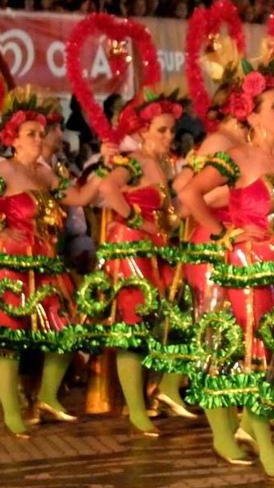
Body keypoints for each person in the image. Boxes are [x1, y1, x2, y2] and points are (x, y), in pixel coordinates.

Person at [180, 40, 274, 483]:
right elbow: (188, 193)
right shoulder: (235, 158)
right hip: (249, 268)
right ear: (251, 116)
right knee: (258, 355)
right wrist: (224, 233)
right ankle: (264, 443)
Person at [0, 90, 102, 438]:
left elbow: (79, 197)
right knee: (9, 337)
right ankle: (11, 411)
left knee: (67, 330)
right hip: (9, 264)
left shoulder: (45, 173)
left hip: (45, 263)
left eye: (40, 133)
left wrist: (104, 169)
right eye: (30, 134)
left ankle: (47, 396)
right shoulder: (2, 169)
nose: (38, 138)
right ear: (13, 139)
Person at [81, 89, 188, 437]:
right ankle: (137, 408)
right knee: (133, 326)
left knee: (174, 320)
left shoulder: (166, 162)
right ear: (143, 131)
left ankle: (156, 394)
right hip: (131, 250)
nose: (168, 136)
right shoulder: (133, 161)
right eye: (161, 130)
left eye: (171, 130)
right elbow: (109, 189)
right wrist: (137, 221)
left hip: (157, 249)